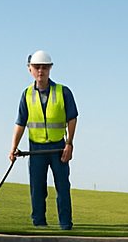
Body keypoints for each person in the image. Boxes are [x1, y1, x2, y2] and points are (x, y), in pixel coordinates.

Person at [9, 50, 78, 230]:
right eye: (37, 67)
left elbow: (72, 118)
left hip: (58, 148)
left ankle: (65, 224)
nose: (41, 71)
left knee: (62, 187)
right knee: (37, 188)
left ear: (50, 69)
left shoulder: (63, 92)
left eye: (45, 67)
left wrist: (69, 143)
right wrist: (13, 147)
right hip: (36, 149)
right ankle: (39, 223)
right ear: (30, 69)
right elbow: (20, 123)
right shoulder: (26, 95)